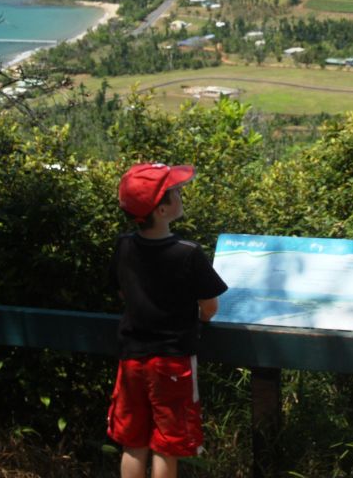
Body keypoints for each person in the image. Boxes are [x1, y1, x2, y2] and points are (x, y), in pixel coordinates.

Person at [107, 162, 228, 478]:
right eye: (174, 191)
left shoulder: (124, 246)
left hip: (132, 359)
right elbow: (210, 307)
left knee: (133, 442)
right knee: (166, 444)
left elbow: (122, 293)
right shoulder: (188, 253)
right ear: (161, 210)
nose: (180, 193)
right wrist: (201, 318)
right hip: (172, 361)